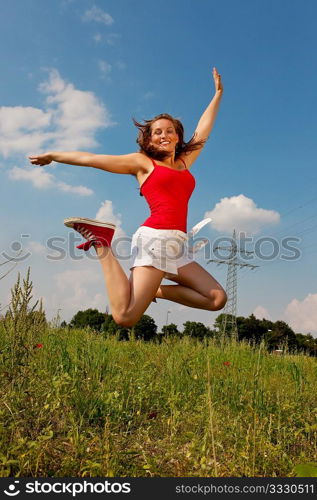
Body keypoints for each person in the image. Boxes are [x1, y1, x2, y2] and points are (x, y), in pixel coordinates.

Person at [29, 67, 227, 327]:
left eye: (170, 131)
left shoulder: (184, 163)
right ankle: (101, 242)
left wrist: (218, 95)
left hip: (176, 245)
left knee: (216, 299)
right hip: (156, 239)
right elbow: (93, 160)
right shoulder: (142, 163)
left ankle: (154, 290)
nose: (164, 135)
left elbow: (203, 131)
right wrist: (54, 155)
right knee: (125, 317)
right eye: (157, 131)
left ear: (178, 137)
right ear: (149, 139)